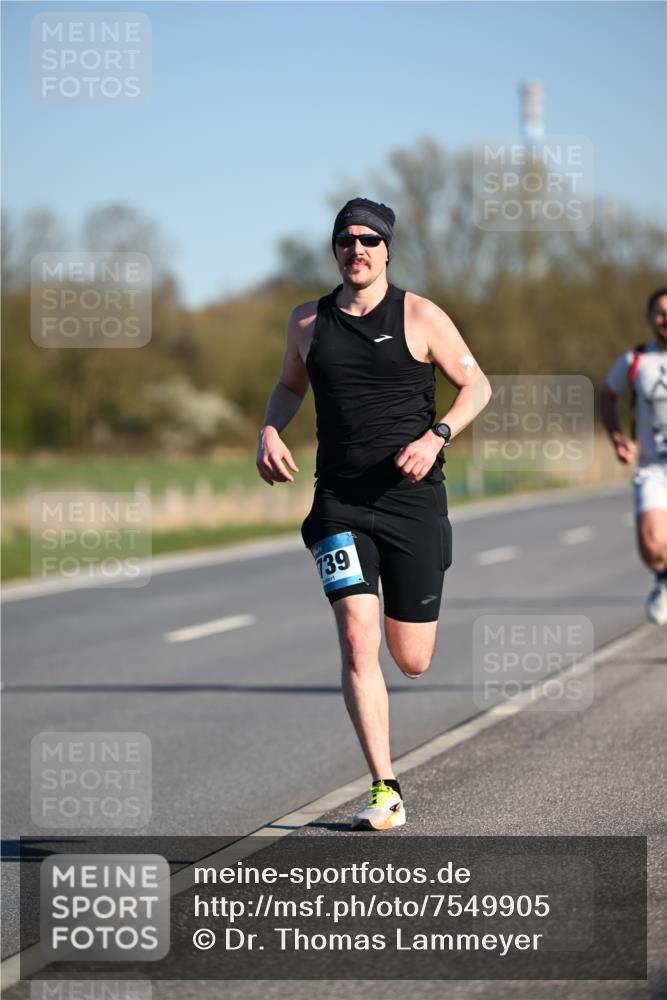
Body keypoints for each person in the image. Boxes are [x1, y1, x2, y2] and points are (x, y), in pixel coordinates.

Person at [257, 198, 491, 830]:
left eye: (368, 240)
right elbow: (289, 386)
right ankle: (384, 787)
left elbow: (478, 386)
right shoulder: (308, 321)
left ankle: (414, 611)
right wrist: (270, 430)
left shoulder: (420, 315)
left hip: (412, 502)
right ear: (335, 249)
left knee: (411, 658)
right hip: (339, 503)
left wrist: (437, 436)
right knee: (358, 641)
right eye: (346, 240)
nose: (356, 249)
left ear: (387, 249)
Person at [601, 287, 667, 625]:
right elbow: (608, 396)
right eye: (660, 312)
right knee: (651, 544)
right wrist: (617, 438)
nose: (666, 318)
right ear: (650, 318)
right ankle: (663, 577)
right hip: (654, 467)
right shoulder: (635, 360)